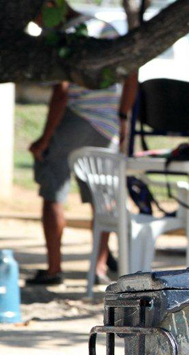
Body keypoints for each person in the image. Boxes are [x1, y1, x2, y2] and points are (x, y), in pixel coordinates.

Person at [26, 1, 137, 286]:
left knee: (53, 191)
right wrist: (121, 116)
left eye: (39, 13)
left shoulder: (68, 36)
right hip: (107, 125)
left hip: (76, 118)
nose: (39, 20)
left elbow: (62, 93)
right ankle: (98, 269)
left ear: (53, 6)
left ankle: (53, 270)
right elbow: (132, 74)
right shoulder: (107, 28)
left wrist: (44, 139)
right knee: (104, 199)